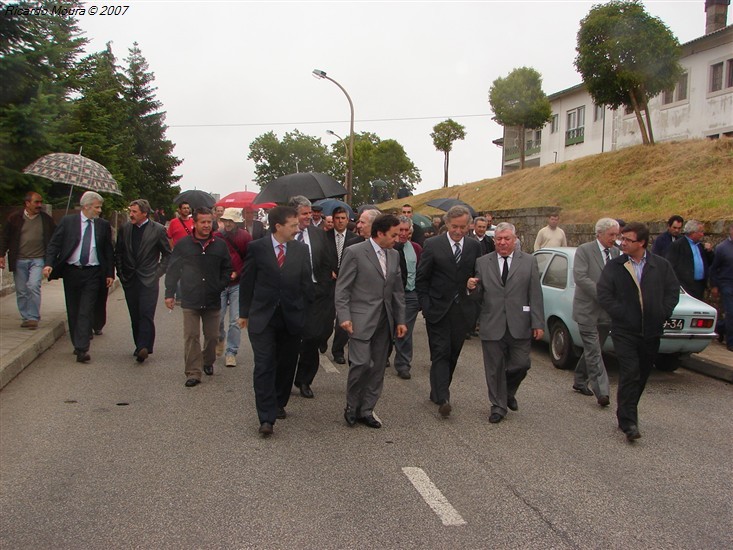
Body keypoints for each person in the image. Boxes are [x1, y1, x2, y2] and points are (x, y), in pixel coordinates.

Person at [597, 222, 679, 442]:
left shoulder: (660, 266)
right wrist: (621, 313)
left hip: (651, 331)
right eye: (621, 239)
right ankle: (628, 421)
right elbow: (604, 294)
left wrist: (662, 312)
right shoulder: (615, 266)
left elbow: (672, 291)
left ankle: (626, 410)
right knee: (630, 371)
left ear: (641, 242)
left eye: (628, 240)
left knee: (642, 375)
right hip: (625, 330)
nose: (622, 243)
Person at [238, 206, 313, 436]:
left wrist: (307, 315)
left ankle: (279, 400)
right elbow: (247, 281)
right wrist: (244, 313)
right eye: (292, 225)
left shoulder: (301, 250)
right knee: (264, 365)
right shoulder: (257, 248)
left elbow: (306, 286)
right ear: (278, 226)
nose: (297, 228)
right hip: (263, 317)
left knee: (286, 363)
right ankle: (266, 417)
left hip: (291, 317)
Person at [467, 222, 545, 424]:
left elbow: (535, 294)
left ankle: (508, 392)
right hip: (492, 323)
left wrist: (538, 323)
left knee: (521, 364)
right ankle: (498, 406)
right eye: (499, 239)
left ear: (515, 240)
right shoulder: (482, 262)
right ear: (494, 241)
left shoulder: (528, 262)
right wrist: (471, 288)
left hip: (520, 323)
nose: (502, 242)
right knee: (494, 368)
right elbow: (477, 296)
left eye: (506, 239)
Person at [336, 214, 407, 428]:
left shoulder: (394, 255)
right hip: (359, 319)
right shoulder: (355, 253)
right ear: (380, 233)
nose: (398, 238)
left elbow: (397, 291)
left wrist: (401, 320)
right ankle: (351, 405)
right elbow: (342, 289)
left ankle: (366, 410)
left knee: (377, 369)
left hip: (385, 321)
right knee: (361, 363)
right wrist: (344, 316)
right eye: (394, 234)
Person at [416, 205, 482, 418]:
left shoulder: (473, 247)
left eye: (463, 227)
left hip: (462, 310)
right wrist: (425, 307)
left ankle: (438, 390)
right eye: (455, 226)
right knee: (441, 352)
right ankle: (444, 397)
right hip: (437, 309)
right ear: (447, 224)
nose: (459, 231)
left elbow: (479, 276)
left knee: (453, 353)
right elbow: (422, 279)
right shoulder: (433, 245)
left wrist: (474, 285)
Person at [43, 191, 114, 363]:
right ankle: (77, 343)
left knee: (85, 309)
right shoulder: (68, 222)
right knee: (73, 309)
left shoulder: (103, 225)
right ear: (86, 207)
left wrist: (110, 273)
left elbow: (108, 251)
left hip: (93, 273)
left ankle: (82, 348)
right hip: (72, 271)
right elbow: (55, 244)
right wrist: (49, 263)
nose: (99, 210)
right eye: (97, 207)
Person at [164, 207, 232, 387]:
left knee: (212, 336)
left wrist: (220, 284)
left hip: (212, 298)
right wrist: (169, 293)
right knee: (191, 336)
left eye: (209, 222)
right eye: (203, 222)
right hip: (190, 298)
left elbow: (227, 268)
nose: (206, 225)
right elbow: (172, 269)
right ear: (194, 223)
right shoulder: (184, 245)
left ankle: (207, 361)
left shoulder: (219, 245)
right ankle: (193, 372)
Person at [289, 196, 336, 399]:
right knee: (290, 339)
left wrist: (325, 284)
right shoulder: (284, 234)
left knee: (313, 336)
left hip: (316, 293)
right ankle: (285, 376)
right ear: (294, 215)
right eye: (305, 214)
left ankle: (305, 379)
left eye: (310, 213)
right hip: (292, 293)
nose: (309, 217)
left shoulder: (318, 234)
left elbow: (327, 261)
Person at [114, 199, 171, 363]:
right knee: (135, 314)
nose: (131, 214)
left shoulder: (158, 230)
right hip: (130, 278)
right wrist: (121, 273)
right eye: (130, 211)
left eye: (134, 212)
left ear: (144, 213)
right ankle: (139, 344)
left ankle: (143, 347)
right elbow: (118, 252)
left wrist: (158, 273)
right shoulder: (125, 229)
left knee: (146, 313)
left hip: (149, 279)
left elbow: (167, 254)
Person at [571, 218, 620, 406]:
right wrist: (604, 295)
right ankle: (602, 392)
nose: (614, 239)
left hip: (607, 312)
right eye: (611, 235)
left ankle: (579, 379)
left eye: (616, 235)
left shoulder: (616, 253)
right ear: (599, 234)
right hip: (587, 310)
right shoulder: (584, 250)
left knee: (594, 348)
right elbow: (581, 277)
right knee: (594, 350)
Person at [0, 192, 56, 329]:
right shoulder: (15, 218)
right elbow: (5, 237)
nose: (39, 205)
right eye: (36, 202)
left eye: (40, 202)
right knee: (21, 290)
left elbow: (55, 237)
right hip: (19, 260)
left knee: (33, 285)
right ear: (27, 203)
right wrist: (1, 254)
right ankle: (26, 316)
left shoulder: (46, 219)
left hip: (38, 259)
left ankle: (33, 317)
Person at [330, 208, 377, 363]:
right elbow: (344, 278)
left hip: (376, 307)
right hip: (354, 302)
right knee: (347, 334)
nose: (358, 225)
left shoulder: (390, 248)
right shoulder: (352, 246)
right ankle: (339, 351)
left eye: (363, 222)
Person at [214, 208, 252, 367]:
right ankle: (220, 338)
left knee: (236, 320)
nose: (228, 223)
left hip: (238, 283)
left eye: (230, 221)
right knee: (218, 317)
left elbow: (249, 259)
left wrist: (238, 272)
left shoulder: (245, 237)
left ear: (236, 222)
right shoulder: (217, 236)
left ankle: (231, 351)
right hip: (220, 283)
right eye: (225, 220)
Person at [324, 206, 357, 365]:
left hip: (347, 283)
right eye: (337, 218)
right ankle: (323, 338)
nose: (340, 221)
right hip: (329, 282)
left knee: (343, 318)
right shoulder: (324, 237)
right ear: (333, 219)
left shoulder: (353, 238)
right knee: (327, 317)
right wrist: (328, 271)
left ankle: (338, 350)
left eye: (343, 218)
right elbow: (320, 257)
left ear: (347, 219)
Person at [392, 215, 422, 379]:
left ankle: (403, 364)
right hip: (390, 295)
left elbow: (421, 271)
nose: (403, 233)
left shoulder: (416, 248)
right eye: (400, 230)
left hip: (410, 295)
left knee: (405, 330)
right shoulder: (389, 247)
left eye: (406, 230)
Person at [666, 219, 714, 301]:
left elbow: (710, 262)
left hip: (700, 285)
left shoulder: (700, 245)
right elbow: (670, 266)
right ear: (692, 232)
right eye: (700, 232)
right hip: (685, 286)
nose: (702, 234)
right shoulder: (678, 245)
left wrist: (709, 252)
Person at [710, 223, 733, 352]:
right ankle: (731, 342)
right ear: (730, 230)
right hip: (727, 284)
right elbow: (714, 268)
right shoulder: (722, 248)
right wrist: (714, 285)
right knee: (731, 313)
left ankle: (719, 327)